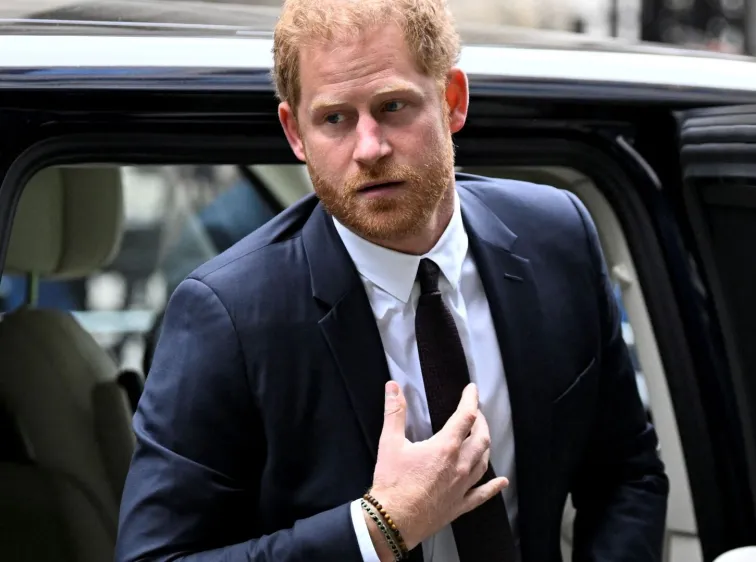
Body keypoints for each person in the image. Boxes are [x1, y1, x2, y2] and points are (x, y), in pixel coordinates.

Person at [114, 0, 668, 560]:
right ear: (295, 132)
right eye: (335, 118)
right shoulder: (228, 315)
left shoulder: (557, 236)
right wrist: (380, 527)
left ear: (452, 100)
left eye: (394, 106)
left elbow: (627, 474)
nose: (370, 148)